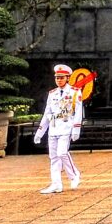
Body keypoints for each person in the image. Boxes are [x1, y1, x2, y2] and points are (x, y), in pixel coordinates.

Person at [33, 63, 84, 194]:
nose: (59, 80)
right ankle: (56, 184)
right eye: (57, 78)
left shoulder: (74, 92)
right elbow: (47, 114)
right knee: (54, 157)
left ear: (67, 78)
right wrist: (40, 132)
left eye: (62, 77)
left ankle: (74, 175)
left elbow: (78, 112)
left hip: (66, 128)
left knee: (62, 153)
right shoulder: (52, 94)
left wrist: (76, 129)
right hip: (53, 128)